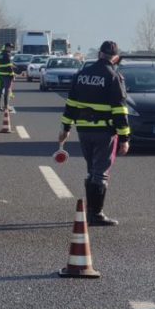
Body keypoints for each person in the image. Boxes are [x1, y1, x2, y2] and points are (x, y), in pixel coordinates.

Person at [59, 40, 130, 226]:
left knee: (92, 170)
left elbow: (71, 105)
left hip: (83, 130)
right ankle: (95, 214)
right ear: (115, 57)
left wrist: (65, 129)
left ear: (99, 54)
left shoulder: (82, 74)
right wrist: (124, 138)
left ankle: (90, 211)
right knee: (101, 173)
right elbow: (120, 111)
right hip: (104, 131)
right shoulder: (114, 77)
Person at [0, 42, 16, 111]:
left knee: (0, 90)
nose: (11, 49)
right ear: (6, 47)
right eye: (10, 47)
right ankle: (6, 106)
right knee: (7, 91)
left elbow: (1, 64)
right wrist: (12, 74)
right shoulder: (7, 55)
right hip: (7, 75)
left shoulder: (0, 54)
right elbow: (9, 66)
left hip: (0, 74)